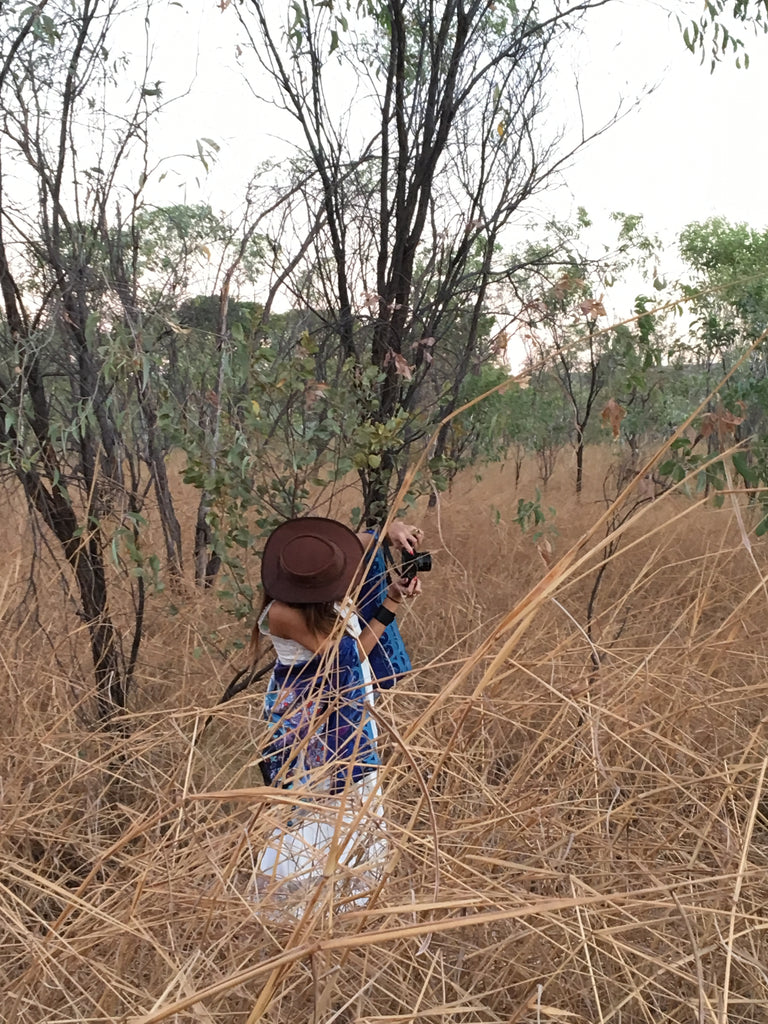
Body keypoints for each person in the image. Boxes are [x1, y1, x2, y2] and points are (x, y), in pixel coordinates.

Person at [249, 515, 423, 914]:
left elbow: (359, 542)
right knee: (314, 802)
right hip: (308, 719)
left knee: (355, 797)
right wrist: (391, 601)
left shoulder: (320, 578)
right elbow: (351, 654)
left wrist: (390, 531)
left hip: (348, 706)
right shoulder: (283, 613)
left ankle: (354, 897)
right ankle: (296, 905)